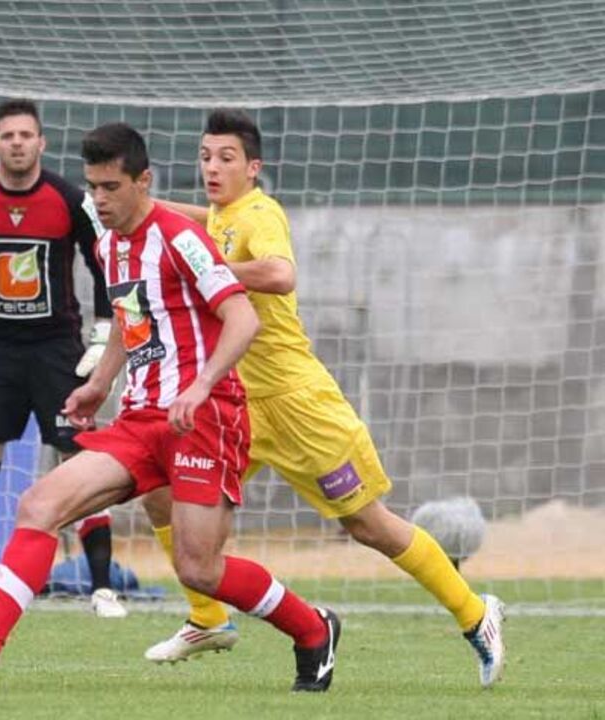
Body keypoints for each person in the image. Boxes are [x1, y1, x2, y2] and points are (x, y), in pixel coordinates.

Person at [0, 122, 342, 693]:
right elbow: (127, 316)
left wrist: (201, 385)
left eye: (111, 187)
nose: (99, 200)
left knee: (199, 569)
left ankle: (313, 629)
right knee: (40, 504)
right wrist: (100, 383)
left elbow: (243, 317)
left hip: (204, 419)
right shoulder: (109, 244)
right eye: (93, 187)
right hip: (141, 421)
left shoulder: (182, 237)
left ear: (144, 181)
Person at [142, 108, 506, 688]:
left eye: (226, 158)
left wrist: (207, 268)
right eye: (205, 157)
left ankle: (474, 612)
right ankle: (208, 617)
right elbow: (199, 220)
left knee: (369, 525)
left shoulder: (261, 213)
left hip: (298, 406)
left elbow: (280, 274)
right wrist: (141, 205)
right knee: (162, 490)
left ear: (253, 168)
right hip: (238, 407)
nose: (212, 167)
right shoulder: (221, 214)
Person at [0, 98, 127, 619]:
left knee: (78, 460)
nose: (17, 143)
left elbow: (101, 263)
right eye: (8, 135)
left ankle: (103, 588)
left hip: (58, 351)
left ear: (41, 143)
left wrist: (104, 331)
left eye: (25, 135)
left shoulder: (69, 198)